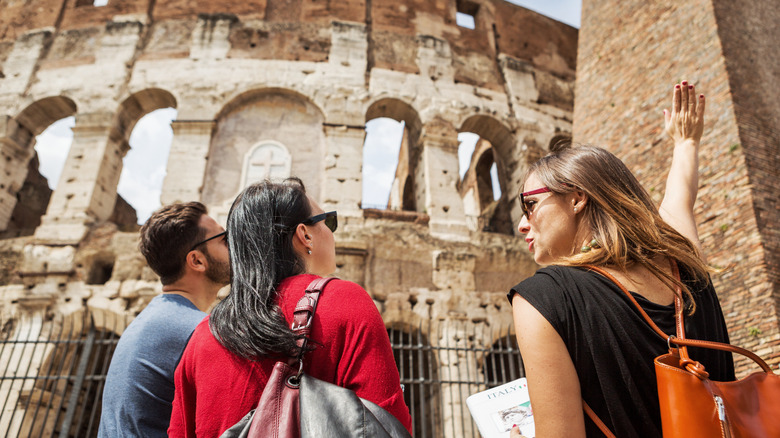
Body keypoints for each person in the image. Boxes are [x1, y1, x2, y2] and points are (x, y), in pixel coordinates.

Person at [508, 82, 735, 437]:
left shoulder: (542, 299)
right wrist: (686, 142)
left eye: (530, 204)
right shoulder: (683, 262)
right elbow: (680, 198)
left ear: (577, 197)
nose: (523, 223)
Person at [168, 178, 413, 437]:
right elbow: (388, 424)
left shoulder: (204, 335)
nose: (332, 232)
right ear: (305, 235)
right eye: (329, 221)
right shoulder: (345, 301)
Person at [98, 202, 230, 438]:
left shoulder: (147, 321)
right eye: (224, 239)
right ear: (197, 261)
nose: (234, 246)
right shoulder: (198, 331)